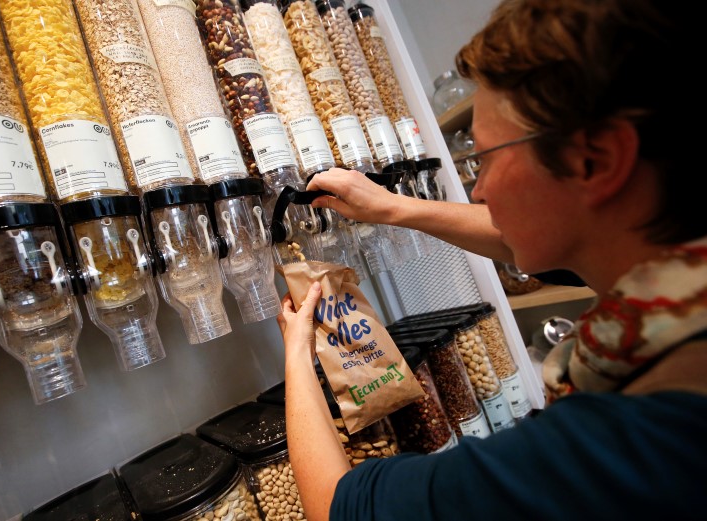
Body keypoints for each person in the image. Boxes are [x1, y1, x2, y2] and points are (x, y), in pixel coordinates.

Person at [276, 0, 707, 519]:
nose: (478, 191)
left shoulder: (630, 439)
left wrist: (298, 354)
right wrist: (393, 207)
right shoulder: (677, 289)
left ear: (595, 160)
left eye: (485, 158)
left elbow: (337, 508)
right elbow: (527, 234)